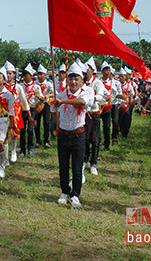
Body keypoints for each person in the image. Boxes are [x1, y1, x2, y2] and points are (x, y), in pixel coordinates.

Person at [51, 62, 93, 208]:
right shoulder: (60, 94)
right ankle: (64, 191)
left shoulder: (86, 92)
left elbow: (82, 102)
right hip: (63, 134)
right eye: (71, 79)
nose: (73, 82)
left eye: (76, 79)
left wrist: (62, 101)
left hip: (78, 135)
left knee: (76, 167)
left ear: (82, 81)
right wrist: (57, 123)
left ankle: (75, 194)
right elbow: (52, 108)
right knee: (63, 165)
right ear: (67, 80)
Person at [4, 60, 31, 164]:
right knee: (4, 133)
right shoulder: (2, 86)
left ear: (14, 74)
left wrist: (29, 115)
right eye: (6, 74)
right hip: (4, 112)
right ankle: (5, 156)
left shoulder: (19, 87)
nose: (8, 76)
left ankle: (14, 150)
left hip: (15, 113)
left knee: (14, 133)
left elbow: (24, 101)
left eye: (10, 73)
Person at [84, 57, 106, 176]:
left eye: (87, 69)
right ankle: (85, 159)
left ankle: (94, 163)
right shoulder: (82, 82)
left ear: (92, 70)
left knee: (95, 139)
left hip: (94, 113)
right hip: (84, 114)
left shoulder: (97, 83)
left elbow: (100, 96)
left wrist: (87, 99)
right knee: (85, 139)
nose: (86, 72)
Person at [19, 63, 42, 157]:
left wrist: (40, 98)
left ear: (31, 75)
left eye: (26, 75)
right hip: (22, 110)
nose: (25, 77)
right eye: (24, 75)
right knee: (22, 130)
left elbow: (40, 97)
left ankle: (30, 147)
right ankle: (22, 149)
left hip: (32, 109)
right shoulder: (20, 86)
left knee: (30, 129)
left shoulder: (36, 87)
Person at [35, 64, 54, 149]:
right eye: (39, 74)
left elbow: (55, 93)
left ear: (45, 75)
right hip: (37, 105)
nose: (40, 76)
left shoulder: (49, 84)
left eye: (42, 74)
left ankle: (46, 140)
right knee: (37, 123)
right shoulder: (35, 84)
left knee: (46, 122)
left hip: (46, 105)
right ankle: (38, 141)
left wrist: (48, 95)